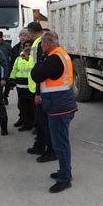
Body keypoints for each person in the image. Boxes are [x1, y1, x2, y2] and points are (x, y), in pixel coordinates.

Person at [31, 31, 77, 193]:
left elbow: (36, 75)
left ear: (48, 44)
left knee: (60, 144)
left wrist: (38, 62)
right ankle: (65, 171)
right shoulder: (61, 54)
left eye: (42, 44)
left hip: (60, 108)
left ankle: (65, 179)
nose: (41, 47)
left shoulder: (53, 58)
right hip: (62, 105)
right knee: (61, 142)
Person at [27, 22, 56, 163]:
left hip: (42, 89)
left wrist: (38, 93)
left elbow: (40, 70)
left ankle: (50, 150)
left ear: (31, 32)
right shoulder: (38, 43)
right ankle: (39, 145)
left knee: (44, 122)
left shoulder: (40, 44)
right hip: (39, 88)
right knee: (40, 122)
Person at [9, 40, 35, 131]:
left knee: (32, 107)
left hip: (31, 87)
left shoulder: (33, 58)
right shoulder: (18, 58)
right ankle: (25, 123)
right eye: (25, 46)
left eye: (29, 45)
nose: (27, 47)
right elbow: (14, 69)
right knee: (22, 106)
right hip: (20, 87)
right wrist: (12, 81)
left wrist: (27, 58)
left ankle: (35, 125)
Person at [10, 28, 29, 127]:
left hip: (30, 80)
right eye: (21, 35)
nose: (22, 37)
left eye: (24, 35)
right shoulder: (15, 48)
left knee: (29, 103)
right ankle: (22, 118)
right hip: (20, 80)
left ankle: (30, 122)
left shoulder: (32, 47)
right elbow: (13, 64)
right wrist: (12, 79)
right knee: (21, 103)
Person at [0, 31, 12, 106]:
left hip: (7, 67)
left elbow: (11, 55)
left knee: (7, 84)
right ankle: (0, 98)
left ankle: (5, 95)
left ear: (1, 37)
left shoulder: (7, 45)